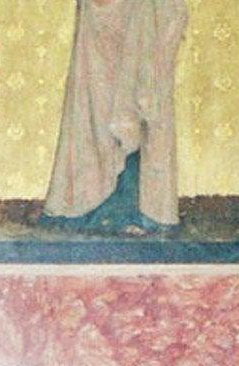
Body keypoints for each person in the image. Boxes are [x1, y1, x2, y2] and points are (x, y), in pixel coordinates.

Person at [41, 0, 187, 230]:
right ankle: (96, 198)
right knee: (97, 98)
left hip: (147, 10)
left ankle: (135, 203)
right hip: (102, 18)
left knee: (142, 91)